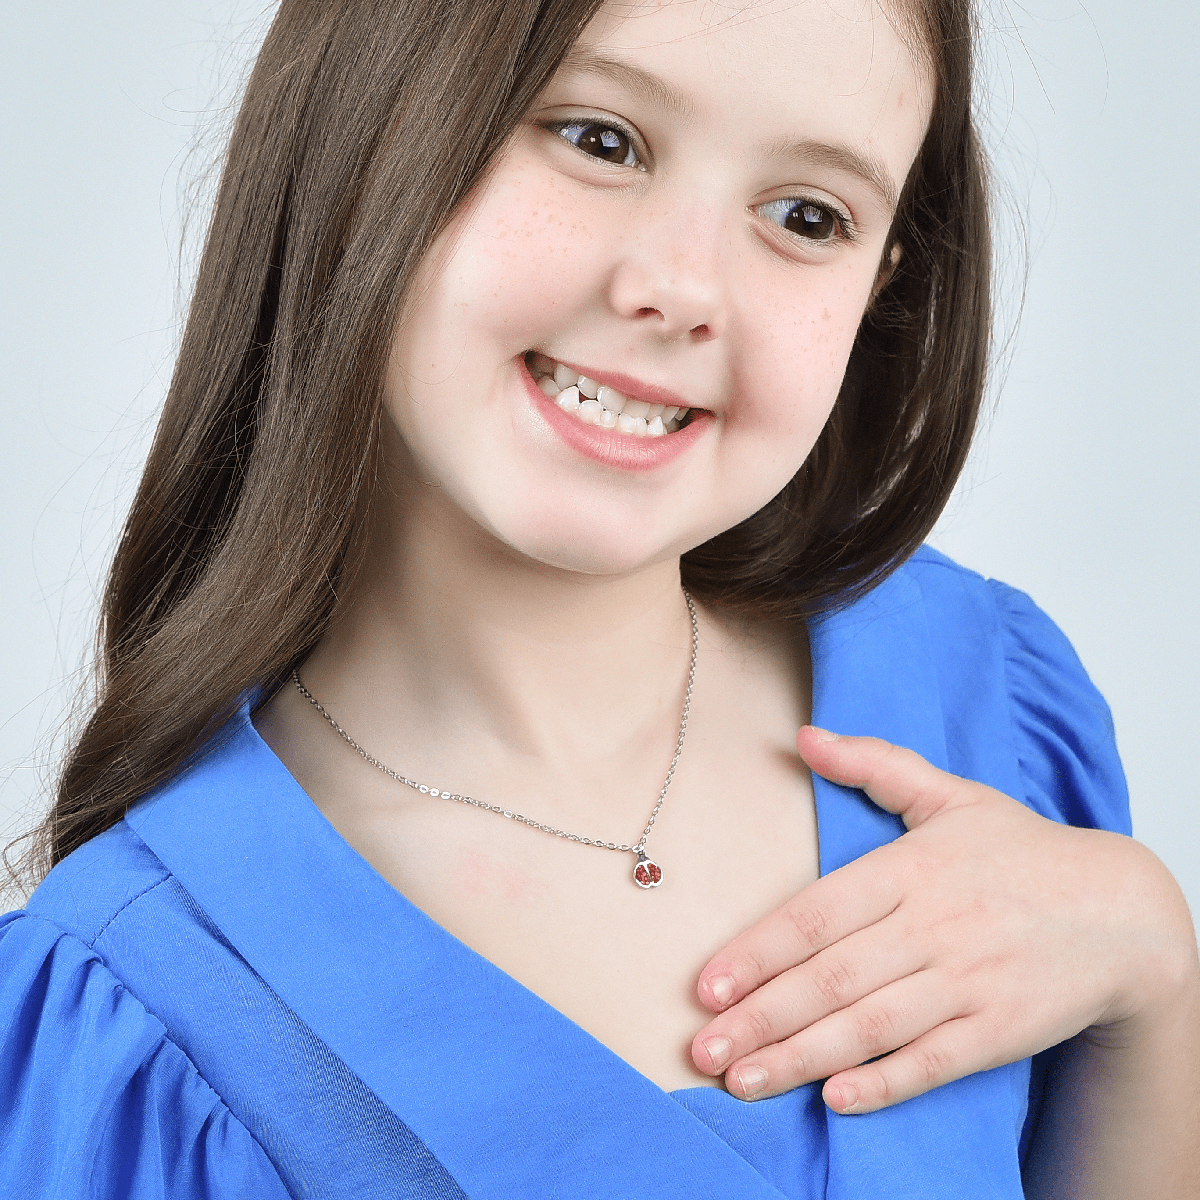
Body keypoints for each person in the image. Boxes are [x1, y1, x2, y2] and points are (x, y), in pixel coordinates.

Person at [1, 0, 1197, 1196]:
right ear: (366, 123)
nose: (683, 289)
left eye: (806, 216)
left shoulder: (983, 698)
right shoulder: (136, 1014)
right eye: (600, 140)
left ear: (884, 278)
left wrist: (1150, 968)